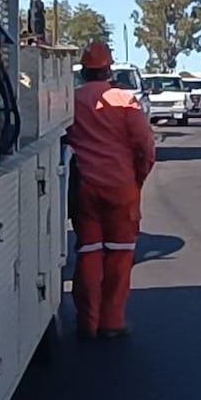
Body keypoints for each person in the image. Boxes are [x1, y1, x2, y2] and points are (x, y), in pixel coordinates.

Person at [65, 41, 156, 339]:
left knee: (89, 252)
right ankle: (111, 322)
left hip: (85, 187)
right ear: (108, 69)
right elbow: (145, 147)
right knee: (119, 256)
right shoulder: (125, 100)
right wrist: (137, 179)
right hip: (120, 188)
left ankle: (87, 322)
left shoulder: (71, 100)